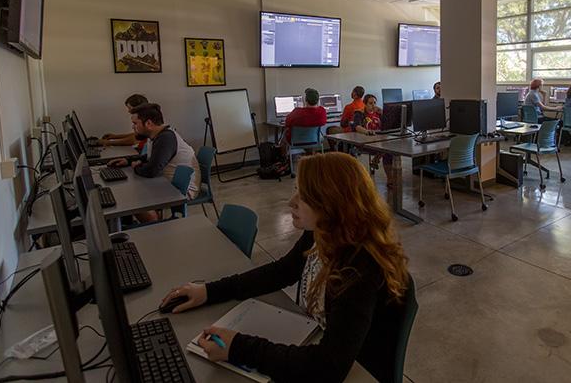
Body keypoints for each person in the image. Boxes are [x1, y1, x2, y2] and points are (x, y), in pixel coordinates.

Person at [160, 153, 411, 383]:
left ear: (331, 204)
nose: (291, 202)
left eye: (302, 195)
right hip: (320, 343)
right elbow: (281, 272)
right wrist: (209, 291)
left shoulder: (359, 268)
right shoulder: (323, 233)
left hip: (357, 371)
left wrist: (238, 347)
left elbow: (329, 367)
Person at [108, 103, 200, 200]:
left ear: (148, 124)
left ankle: (154, 215)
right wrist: (128, 161)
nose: (133, 127)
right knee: (129, 192)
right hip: (170, 183)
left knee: (130, 198)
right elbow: (149, 157)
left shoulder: (166, 138)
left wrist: (136, 167)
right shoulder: (157, 136)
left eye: (135, 123)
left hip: (183, 191)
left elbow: (151, 171)